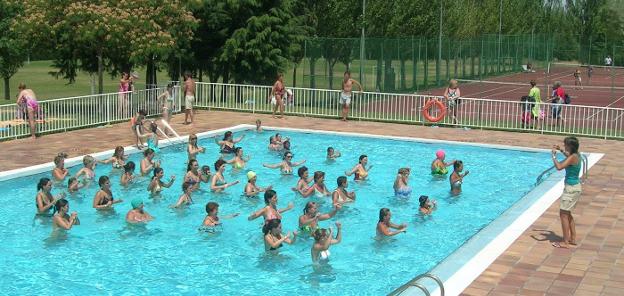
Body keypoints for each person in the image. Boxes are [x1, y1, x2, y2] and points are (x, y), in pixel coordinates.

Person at [551, 137, 582, 248]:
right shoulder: (577, 155)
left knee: (563, 214)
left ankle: (565, 242)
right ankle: (572, 238)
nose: (564, 146)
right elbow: (569, 157)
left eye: (565, 145)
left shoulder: (573, 157)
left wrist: (553, 156)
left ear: (570, 146)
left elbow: (559, 167)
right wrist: (561, 151)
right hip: (576, 187)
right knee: (567, 213)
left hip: (571, 189)